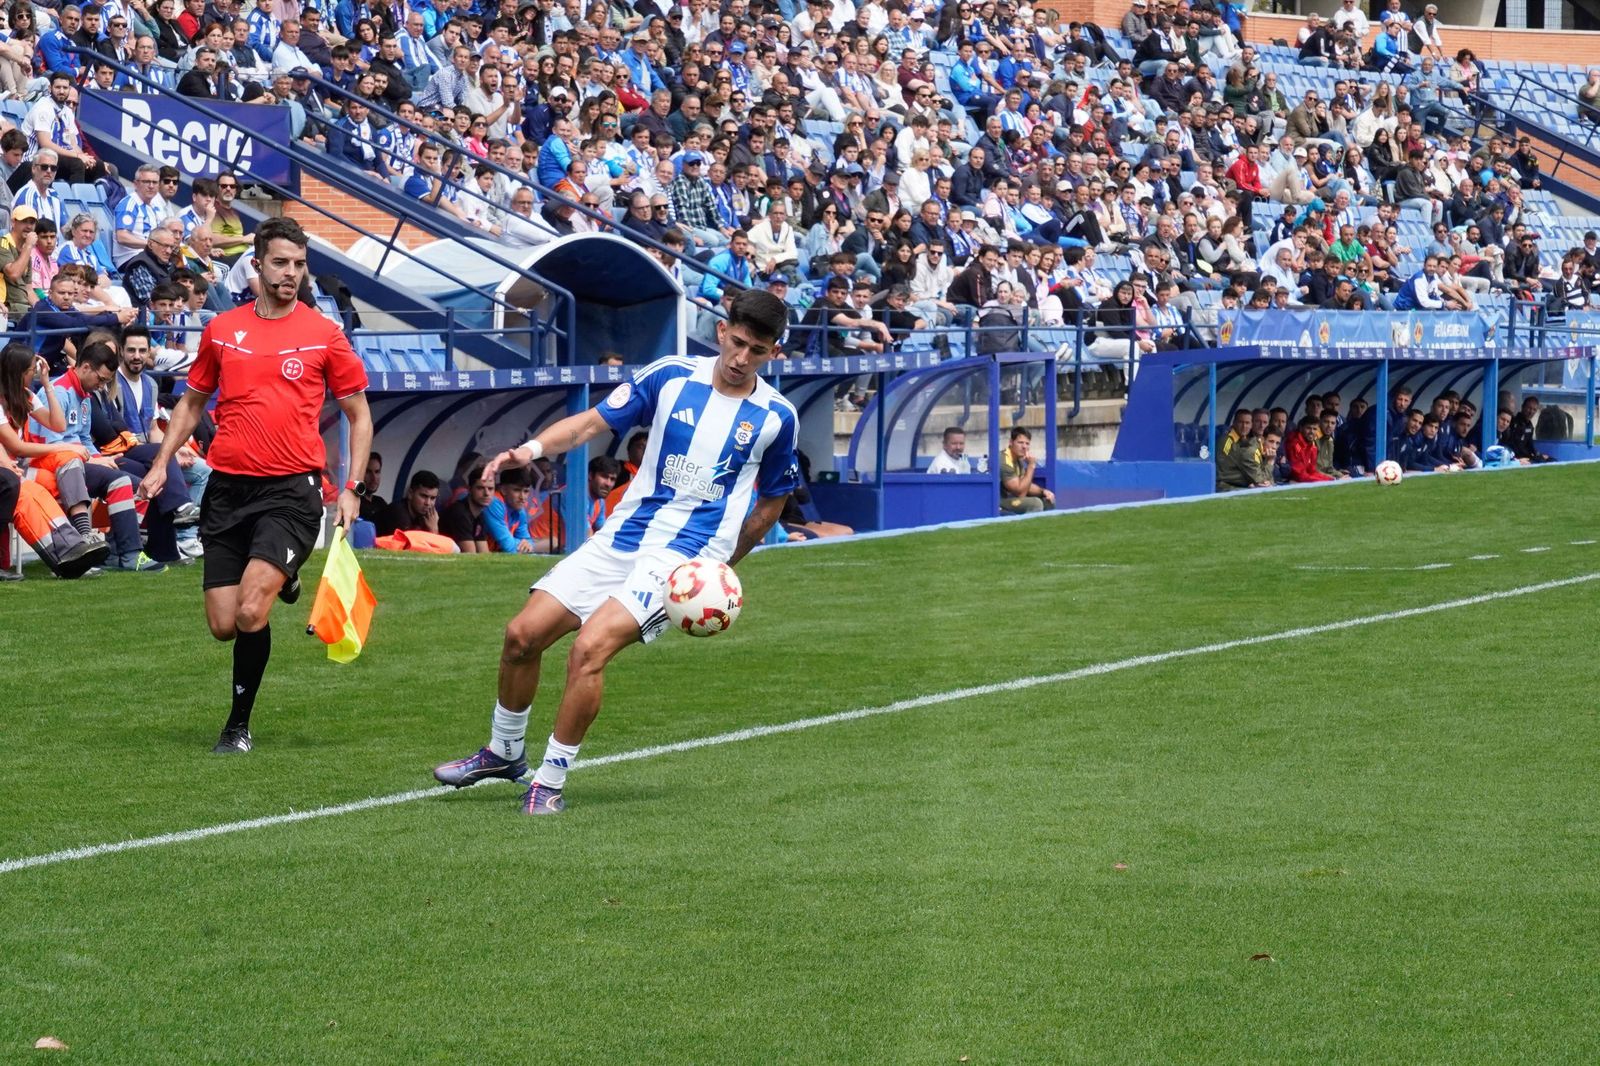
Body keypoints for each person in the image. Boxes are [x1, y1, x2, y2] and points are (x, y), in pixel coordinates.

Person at [431, 288, 799, 816]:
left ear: (773, 353)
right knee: (521, 635)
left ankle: (549, 781)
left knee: (590, 647)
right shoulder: (670, 375)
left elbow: (773, 500)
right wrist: (528, 450)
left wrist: (716, 568)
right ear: (722, 330)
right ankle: (503, 751)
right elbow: (588, 424)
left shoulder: (777, 416)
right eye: (737, 343)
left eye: (757, 351)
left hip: (683, 557)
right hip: (624, 536)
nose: (742, 359)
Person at [136, 217, 373, 755]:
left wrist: (353, 485)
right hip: (227, 490)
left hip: (291, 493)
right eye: (281, 263)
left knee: (249, 611)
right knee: (224, 625)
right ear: (258, 265)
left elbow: (359, 415)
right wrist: (161, 462)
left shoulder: (324, 334)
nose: (291, 273)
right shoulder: (223, 330)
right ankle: (282, 577)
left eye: (299, 264)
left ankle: (237, 726)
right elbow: (192, 402)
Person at [999, 426, 1054, 513]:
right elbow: (1020, 493)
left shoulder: (1018, 460)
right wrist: (1031, 466)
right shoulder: (1004, 460)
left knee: (1049, 501)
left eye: (1027, 443)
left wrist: (1043, 491)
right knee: (1035, 503)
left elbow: (1025, 484)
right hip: (998, 502)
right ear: (1011, 442)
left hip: (1010, 499)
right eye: (1020, 442)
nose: (1024, 447)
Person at [375, 469, 441, 535]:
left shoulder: (425, 518)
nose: (428, 503)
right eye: (423, 496)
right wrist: (433, 530)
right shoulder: (398, 513)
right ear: (410, 493)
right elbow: (410, 544)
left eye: (432, 498)